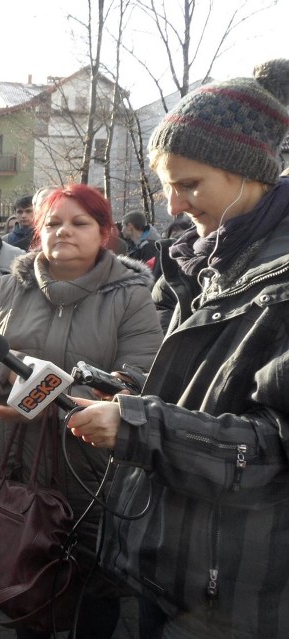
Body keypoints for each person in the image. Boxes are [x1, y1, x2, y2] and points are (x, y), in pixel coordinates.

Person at [65, 59, 289, 639]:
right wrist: (126, 395)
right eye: (166, 184)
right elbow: (203, 397)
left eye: (190, 185)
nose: (173, 206)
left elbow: (274, 454)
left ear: (254, 173)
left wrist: (140, 427)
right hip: (173, 571)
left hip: (240, 598)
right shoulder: (199, 263)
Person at [0, 183, 164, 639]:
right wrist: (12, 376)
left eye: (79, 222)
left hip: (94, 482)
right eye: (53, 223)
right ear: (37, 230)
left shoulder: (131, 296)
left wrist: (43, 405)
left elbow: (139, 378)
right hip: (15, 473)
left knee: (93, 604)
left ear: (105, 232)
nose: (64, 231)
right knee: (25, 597)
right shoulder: (7, 288)